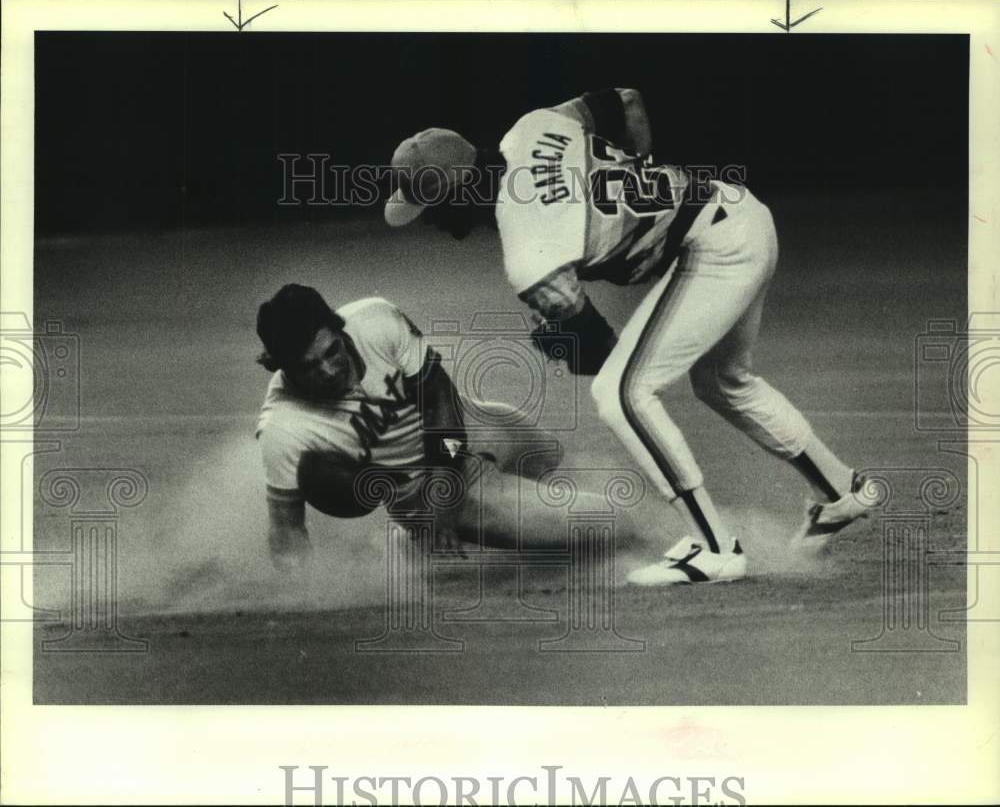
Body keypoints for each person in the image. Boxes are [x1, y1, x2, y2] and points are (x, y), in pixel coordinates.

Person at [383, 88, 872, 586]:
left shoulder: (529, 253)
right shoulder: (531, 127)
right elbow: (627, 101)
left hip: (716, 248)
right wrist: (642, 169)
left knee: (620, 393)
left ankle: (714, 548)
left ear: (461, 187)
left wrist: (567, 345)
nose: (435, 223)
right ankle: (839, 492)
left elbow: (602, 352)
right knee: (724, 381)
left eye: (433, 207)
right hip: (739, 211)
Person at [255, 283, 617, 571]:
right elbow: (287, 531)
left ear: (338, 326)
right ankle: (420, 535)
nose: (329, 370)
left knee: (554, 460)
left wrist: (447, 484)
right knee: (606, 525)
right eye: (308, 367)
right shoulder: (283, 428)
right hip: (419, 490)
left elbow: (440, 397)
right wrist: (300, 592)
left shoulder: (376, 320)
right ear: (279, 366)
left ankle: (412, 546)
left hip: (468, 426)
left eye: (331, 352)